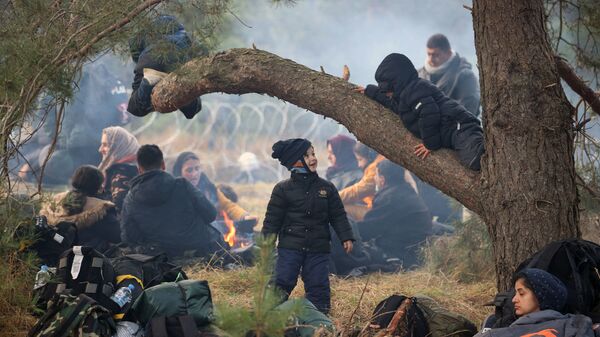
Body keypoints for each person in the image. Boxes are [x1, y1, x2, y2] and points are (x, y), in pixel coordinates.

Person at [262, 138, 355, 314]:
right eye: (307, 155)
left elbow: (338, 215)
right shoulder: (282, 189)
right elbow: (272, 219)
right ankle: (268, 313)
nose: (313, 158)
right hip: (290, 246)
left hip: (318, 247)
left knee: (318, 283)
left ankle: (318, 317)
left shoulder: (326, 188)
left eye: (313, 153)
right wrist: (266, 242)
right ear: (295, 162)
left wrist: (346, 236)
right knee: (282, 280)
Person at [358, 53, 484, 171]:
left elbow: (429, 114)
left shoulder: (416, 90)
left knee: (476, 159)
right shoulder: (402, 97)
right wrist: (370, 91)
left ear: (397, 83)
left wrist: (430, 144)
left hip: (459, 126)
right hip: (449, 132)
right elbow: (392, 104)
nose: (386, 93)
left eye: (387, 88)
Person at [121, 145, 220, 257]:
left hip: (161, 255)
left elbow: (128, 236)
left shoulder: (130, 198)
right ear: (163, 165)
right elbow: (211, 214)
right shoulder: (182, 185)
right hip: (196, 247)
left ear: (139, 169)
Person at [475, 268, 597, 337]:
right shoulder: (577, 324)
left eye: (521, 293)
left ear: (541, 295)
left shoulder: (575, 324)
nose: (513, 299)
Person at [356, 160, 432, 268]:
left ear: (382, 179)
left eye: (376, 176)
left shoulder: (390, 198)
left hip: (402, 253)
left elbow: (369, 229)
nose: (374, 179)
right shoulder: (404, 191)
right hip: (415, 250)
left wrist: (344, 231)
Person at [127, 15, 204, 119]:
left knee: (134, 108)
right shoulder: (182, 31)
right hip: (181, 60)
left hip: (151, 58)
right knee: (193, 110)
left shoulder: (143, 31)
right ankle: (183, 91)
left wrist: (142, 64)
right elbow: (202, 51)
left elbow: (135, 50)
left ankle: (148, 81)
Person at [39, 165, 121, 253]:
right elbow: (117, 236)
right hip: (86, 257)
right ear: (98, 185)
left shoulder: (56, 200)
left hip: (55, 251)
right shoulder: (101, 207)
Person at [172, 151, 252, 221]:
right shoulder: (173, 192)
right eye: (189, 170)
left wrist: (245, 216)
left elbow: (229, 206)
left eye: (197, 168)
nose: (194, 174)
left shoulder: (209, 188)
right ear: (179, 172)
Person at [418, 34, 481, 117]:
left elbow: (468, 110)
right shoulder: (419, 74)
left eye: (436, 55)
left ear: (448, 53)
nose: (431, 59)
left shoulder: (465, 76)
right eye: (429, 54)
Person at [98, 126, 139, 214]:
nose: (100, 149)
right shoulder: (137, 165)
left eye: (105, 145)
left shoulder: (121, 172)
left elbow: (118, 208)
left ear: (118, 146)